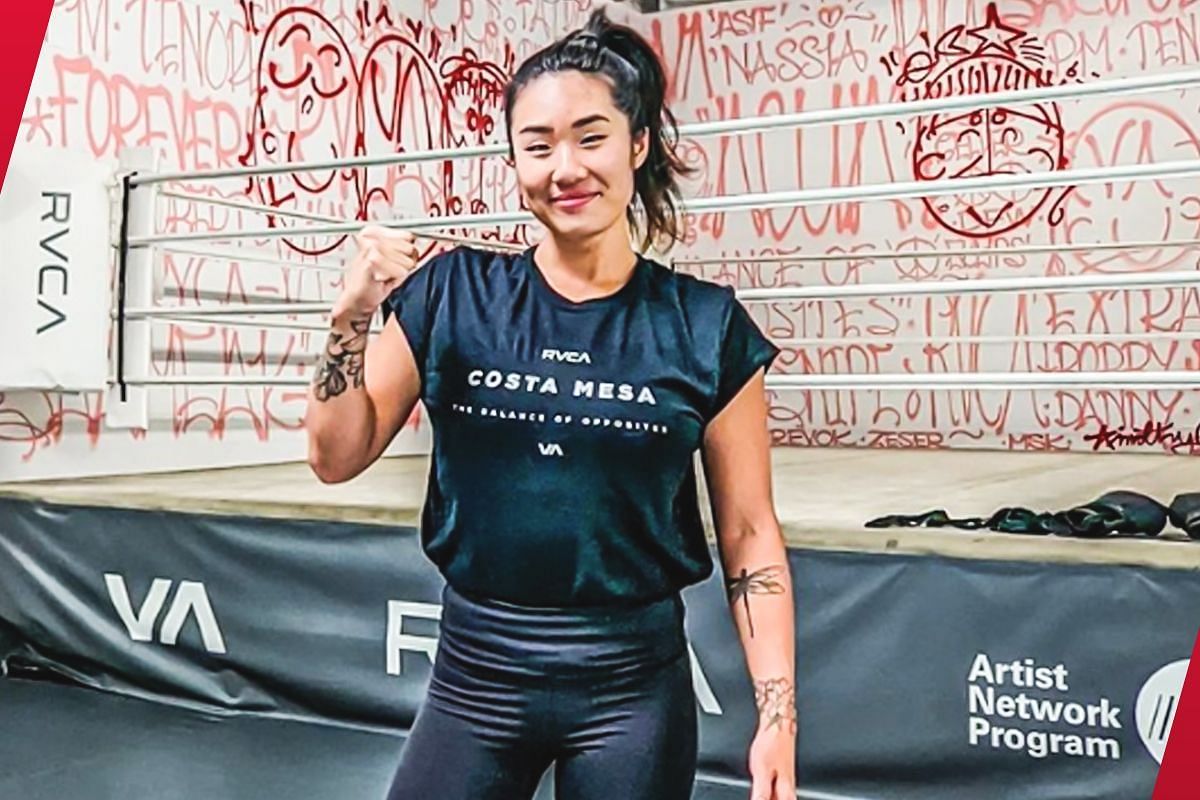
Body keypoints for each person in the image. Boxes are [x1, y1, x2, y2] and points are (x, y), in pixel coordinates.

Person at [305, 8, 797, 800]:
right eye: (537, 146)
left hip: (632, 690)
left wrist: (779, 718)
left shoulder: (705, 328)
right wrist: (350, 317)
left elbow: (747, 532)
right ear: (515, 163)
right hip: (475, 675)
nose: (565, 167)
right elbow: (334, 457)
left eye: (590, 136)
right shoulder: (451, 295)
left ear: (639, 146)